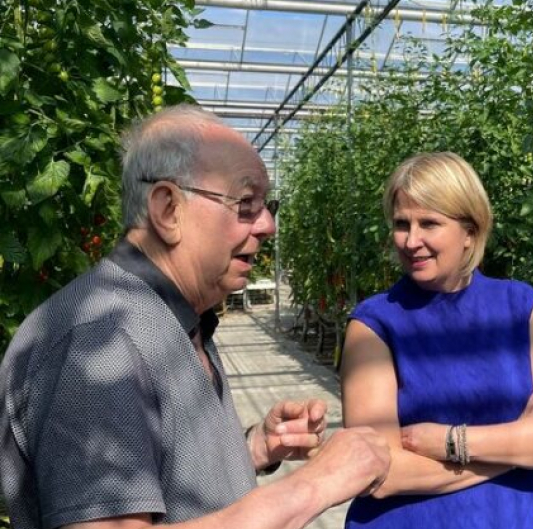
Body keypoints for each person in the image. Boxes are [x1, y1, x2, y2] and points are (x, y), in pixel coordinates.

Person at [0, 105, 390, 529]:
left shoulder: (176, 317)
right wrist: (316, 484)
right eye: (246, 203)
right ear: (168, 209)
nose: (267, 226)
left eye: (267, 205)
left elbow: (164, 483)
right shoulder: (99, 345)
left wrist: (254, 449)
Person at [340, 152, 533, 528]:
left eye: (429, 223)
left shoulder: (521, 306)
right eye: (401, 224)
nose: (411, 241)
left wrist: (451, 442)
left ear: (470, 232)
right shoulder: (373, 324)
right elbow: (379, 475)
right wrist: (523, 443)